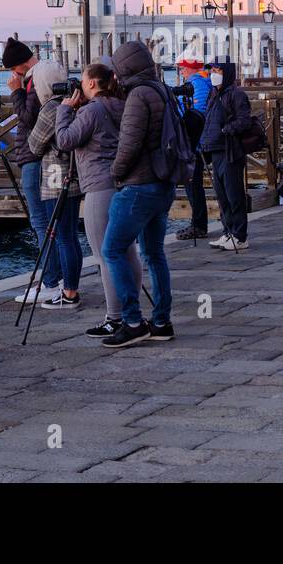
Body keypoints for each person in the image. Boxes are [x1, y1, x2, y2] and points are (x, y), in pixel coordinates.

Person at [101, 40, 179, 348]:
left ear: (124, 68)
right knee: (154, 253)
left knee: (112, 250)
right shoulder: (163, 90)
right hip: (164, 183)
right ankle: (161, 321)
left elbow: (129, 144)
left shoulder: (137, 96)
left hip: (139, 185)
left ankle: (132, 322)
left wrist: (116, 173)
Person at [55, 62, 138, 338]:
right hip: (124, 183)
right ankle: (131, 312)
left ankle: (115, 317)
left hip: (99, 186)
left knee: (104, 255)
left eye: (82, 79)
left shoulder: (92, 110)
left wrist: (65, 110)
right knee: (127, 251)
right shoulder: (121, 104)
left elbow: (65, 140)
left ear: (92, 83)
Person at [27, 60, 83, 310]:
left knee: (62, 238)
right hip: (72, 179)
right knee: (70, 237)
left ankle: (69, 292)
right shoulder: (73, 101)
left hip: (55, 180)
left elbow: (34, 144)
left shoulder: (51, 107)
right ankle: (71, 287)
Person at [3, 37, 53, 304]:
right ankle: (53, 278)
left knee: (40, 222)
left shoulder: (34, 83)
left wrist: (15, 91)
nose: (12, 76)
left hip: (33, 158)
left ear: (19, 66)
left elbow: (28, 118)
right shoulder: (38, 78)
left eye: (12, 71)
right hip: (35, 158)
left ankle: (52, 280)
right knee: (45, 222)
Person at [200, 60, 252, 252]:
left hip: (231, 150)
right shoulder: (213, 94)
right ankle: (228, 231)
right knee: (221, 195)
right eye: (212, 70)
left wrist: (226, 129)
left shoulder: (236, 94)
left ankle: (240, 235)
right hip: (215, 150)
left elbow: (244, 121)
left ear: (227, 73)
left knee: (234, 195)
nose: (214, 73)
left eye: (218, 70)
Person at [174, 54, 213, 240]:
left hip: (196, 143)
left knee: (193, 184)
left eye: (183, 68)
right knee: (192, 183)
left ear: (191, 68)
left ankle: (199, 224)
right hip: (197, 142)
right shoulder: (203, 81)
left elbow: (198, 113)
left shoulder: (197, 83)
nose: (181, 71)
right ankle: (198, 223)